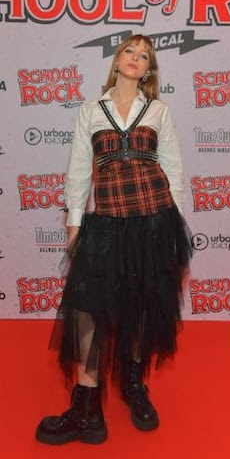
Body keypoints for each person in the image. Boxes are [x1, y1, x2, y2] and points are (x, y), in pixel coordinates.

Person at [36, 34, 192, 445]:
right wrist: (74, 224)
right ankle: (87, 408)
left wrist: (176, 227)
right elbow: (78, 169)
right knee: (88, 310)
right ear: (117, 59)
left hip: (155, 221)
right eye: (130, 51)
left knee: (142, 305)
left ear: (149, 70)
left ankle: (133, 383)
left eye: (144, 56)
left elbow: (173, 169)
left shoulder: (158, 110)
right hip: (105, 223)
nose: (136, 59)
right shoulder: (91, 110)